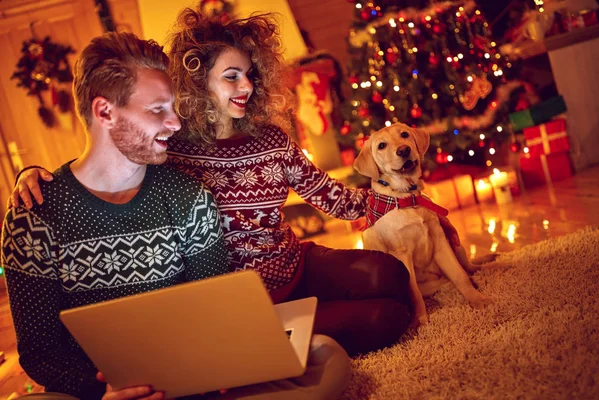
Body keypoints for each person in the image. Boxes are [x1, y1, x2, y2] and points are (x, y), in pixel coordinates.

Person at [10, 8, 413, 357]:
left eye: (250, 75)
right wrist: (35, 176)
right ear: (199, 81)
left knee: (392, 276)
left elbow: (334, 197)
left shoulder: (270, 140)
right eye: (232, 76)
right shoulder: (171, 145)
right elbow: (112, 154)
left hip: (294, 265)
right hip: (243, 301)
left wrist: (407, 201)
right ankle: (304, 327)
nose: (247, 86)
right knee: (386, 318)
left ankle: (316, 312)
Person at [2, 32, 350, 400]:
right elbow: (39, 351)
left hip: (191, 380)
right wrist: (102, 392)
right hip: (95, 391)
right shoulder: (34, 217)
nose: (175, 122)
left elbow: (214, 309)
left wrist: (215, 364)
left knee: (326, 357)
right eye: (157, 110)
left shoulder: (190, 198)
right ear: (105, 111)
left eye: (172, 107)